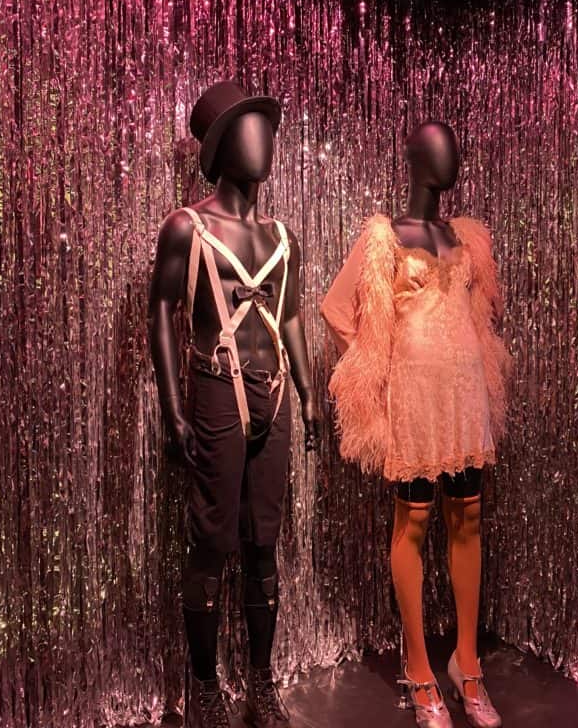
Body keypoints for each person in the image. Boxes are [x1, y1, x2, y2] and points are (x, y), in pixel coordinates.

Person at [322, 122, 509, 728]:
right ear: (416, 160)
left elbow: (475, 319)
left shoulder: (466, 238)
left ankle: (467, 661)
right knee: (415, 520)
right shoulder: (384, 239)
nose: (452, 157)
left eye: (455, 145)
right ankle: (419, 667)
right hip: (415, 404)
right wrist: (382, 359)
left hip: (465, 400)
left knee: (470, 518)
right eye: (439, 148)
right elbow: (334, 307)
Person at [149, 82, 320, 728]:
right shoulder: (185, 227)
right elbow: (161, 314)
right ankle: (202, 688)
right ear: (223, 145)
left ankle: (263, 683)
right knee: (211, 543)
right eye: (254, 126)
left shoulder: (282, 236)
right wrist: (172, 408)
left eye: (269, 127)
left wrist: (309, 399)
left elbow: (294, 318)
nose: (267, 138)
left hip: (272, 392)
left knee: (263, 544)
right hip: (216, 388)